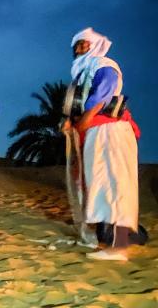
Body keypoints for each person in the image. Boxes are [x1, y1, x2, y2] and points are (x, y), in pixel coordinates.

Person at [64, 27, 140, 261]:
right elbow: (79, 102)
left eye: (85, 44)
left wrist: (85, 118)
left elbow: (105, 90)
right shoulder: (83, 72)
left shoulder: (103, 64)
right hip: (97, 132)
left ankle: (120, 247)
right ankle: (105, 240)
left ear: (96, 45)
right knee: (101, 185)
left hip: (111, 130)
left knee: (116, 184)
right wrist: (71, 121)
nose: (81, 48)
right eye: (77, 45)